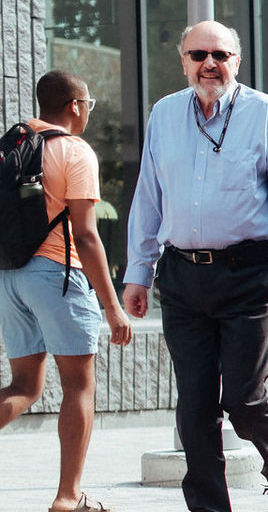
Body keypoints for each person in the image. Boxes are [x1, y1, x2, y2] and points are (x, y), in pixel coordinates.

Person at [120, 21, 268, 512]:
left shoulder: (263, 113)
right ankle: (208, 506)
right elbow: (148, 197)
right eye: (198, 54)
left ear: (236, 62)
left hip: (248, 275)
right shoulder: (163, 114)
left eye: (220, 55)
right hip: (181, 277)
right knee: (195, 404)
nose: (209, 64)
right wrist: (138, 273)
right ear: (183, 60)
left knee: (244, 400)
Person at [0, 71, 134, 512]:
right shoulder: (74, 151)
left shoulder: (13, 144)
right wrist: (112, 307)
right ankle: (67, 497)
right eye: (88, 105)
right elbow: (87, 236)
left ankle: (67, 495)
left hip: (11, 276)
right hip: (57, 272)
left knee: (24, 385)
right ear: (75, 106)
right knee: (78, 385)